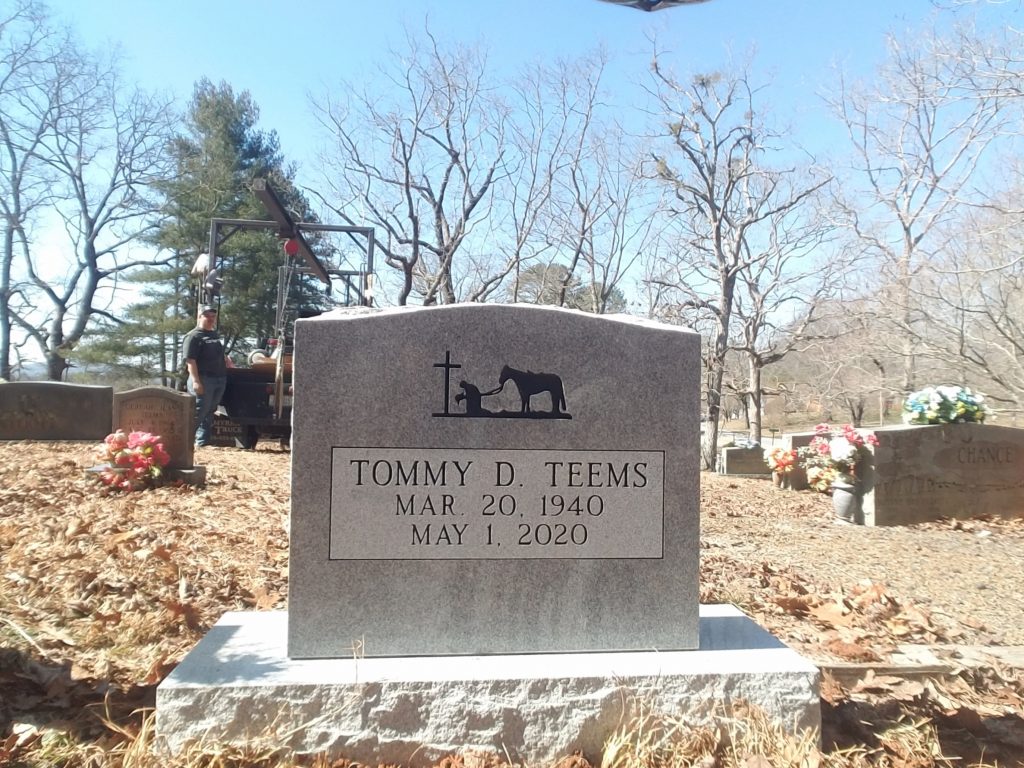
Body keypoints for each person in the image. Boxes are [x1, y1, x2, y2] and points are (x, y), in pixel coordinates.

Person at [183, 305, 227, 447]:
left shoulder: (214, 334)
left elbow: (218, 353)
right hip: (203, 378)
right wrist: (196, 381)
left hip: (219, 378)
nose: (210, 319)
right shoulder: (193, 336)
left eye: (213, 316)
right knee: (199, 410)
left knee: (210, 411)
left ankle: (202, 442)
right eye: (207, 316)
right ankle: (184, 441)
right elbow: (190, 360)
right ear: (200, 317)